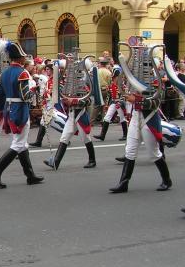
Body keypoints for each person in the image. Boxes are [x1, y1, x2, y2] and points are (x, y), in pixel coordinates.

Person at [109, 38, 171, 194]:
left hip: (148, 119)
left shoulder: (156, 80)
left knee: (154, 153)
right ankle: (123, 183)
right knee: (130, 150)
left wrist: (135, 99)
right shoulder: (134, 79)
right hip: (136, 116)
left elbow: (155, 102)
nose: (142, 67)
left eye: (145, 64)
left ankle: (167, 179)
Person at [0, 41, 44, 188]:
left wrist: (0, 112)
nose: (25, 59)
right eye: (23, 56)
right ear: (19, 58)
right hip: (20, 110)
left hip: (8, 109)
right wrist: (35, 90)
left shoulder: (5, 73)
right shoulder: (23, 73)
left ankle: (30, 175)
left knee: (22, 144)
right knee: (18, 144)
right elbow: (26, 96)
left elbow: (0, 95)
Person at [44, 54, 97, 171]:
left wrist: (72, 101)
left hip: (80, 114)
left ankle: (92, 160)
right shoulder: (68, 86)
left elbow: (87, 101)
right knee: (64, 138)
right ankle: (56, 162)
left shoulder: (83, 86)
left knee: (86, 138)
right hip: (71, 115)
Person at [94, 66, 128, 141]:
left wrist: (121, 101)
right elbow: (109, 95)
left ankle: (126, 135)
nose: (114, 78)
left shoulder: (122, 85)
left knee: (122, 118)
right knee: (107, 117)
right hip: (113, 102)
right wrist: (107, 104)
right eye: (114, 77)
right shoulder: (112, 84)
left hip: (119, 103)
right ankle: (102, 135)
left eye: (116, 77)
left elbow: (125, 94)